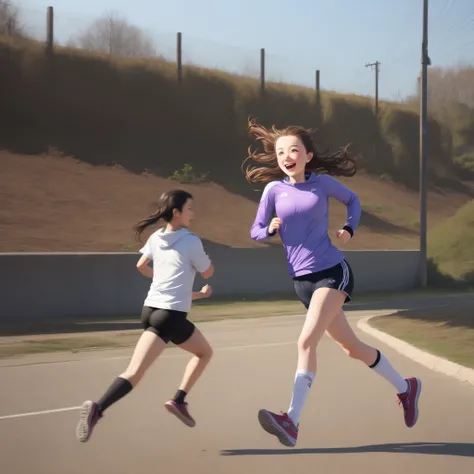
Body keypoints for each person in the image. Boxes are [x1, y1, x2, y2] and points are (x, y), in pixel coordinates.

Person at [243, 118, 422, 448]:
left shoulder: (321, 184)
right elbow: (255, 230)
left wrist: (349, 228)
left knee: (305, 342)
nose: (287, 156)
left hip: (332, 272)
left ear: (307, 156)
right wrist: (269, 230)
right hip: (302, 283)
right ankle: (405, 387)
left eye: (293, 150)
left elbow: (353, 200)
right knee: (351, 348)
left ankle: (291, 420)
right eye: (281, 151)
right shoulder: (273, 191)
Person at [76, 189, 215, 443]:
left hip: (150, 311)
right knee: (203, 354)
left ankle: (103, 408)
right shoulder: (191, 240)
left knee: (137, 370)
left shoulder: (156, 237)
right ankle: (176, 400)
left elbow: (141, 266)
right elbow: (208, 272)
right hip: (170, 315)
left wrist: (189, 291)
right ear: (177, 212)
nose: (193, 212)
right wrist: (202, 277)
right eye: (190, 208)